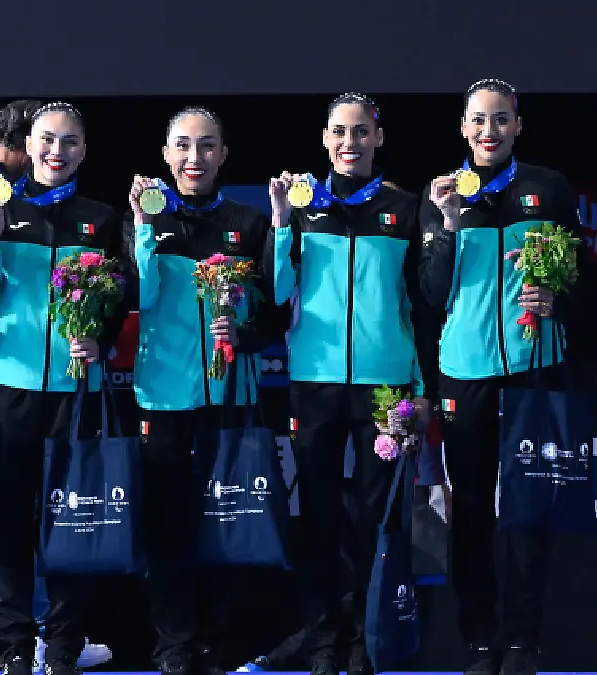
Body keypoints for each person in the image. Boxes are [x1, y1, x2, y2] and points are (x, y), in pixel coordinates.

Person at [419, 78, 596, 675]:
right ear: (464, 129)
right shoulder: (442, 194)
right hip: (464, 371)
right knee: (469, 508)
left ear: (518, 126)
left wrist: (558, 295)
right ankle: (478, 638)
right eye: (478, 121)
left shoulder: (546, 188)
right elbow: (432, 293)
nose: (488, 131)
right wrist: (446, 224)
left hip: (533, 368)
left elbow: (584, 279)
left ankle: (522, 640)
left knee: (526, 509)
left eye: (500, 120)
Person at [0, 98, 114, 675]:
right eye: (46, 139)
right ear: (27, 146)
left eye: (68, 141)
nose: (56, 151)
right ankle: (14, 645)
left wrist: (98, 342)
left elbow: (116, 303)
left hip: (74, 390)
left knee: (73, 519)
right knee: (9, 522)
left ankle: (62, 646)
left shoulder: (102, 219)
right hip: (7, 390)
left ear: (83, 150)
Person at [265, 93, 427, 675]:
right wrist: (282, 222)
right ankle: (321, 640)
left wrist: (419, 385)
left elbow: (425, 303)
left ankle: (367, 635)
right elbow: (279, 291)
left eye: (361, 132)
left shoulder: (405, 208)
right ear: (325, 137)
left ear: (378, 139)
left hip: (387, 385)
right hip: (315, 381)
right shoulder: (302, 205)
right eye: (339, 132)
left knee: (374, 517)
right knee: (320, 518)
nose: (349, 143)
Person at [126, 106, 287, 675]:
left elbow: (273, 313)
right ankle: (173, 645)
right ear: (167, 154)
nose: (195, 158)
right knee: (168, 527)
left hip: (232, 399)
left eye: (207, 146)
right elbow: (137, 298)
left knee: (230, 523)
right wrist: (144, 230)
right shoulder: (145, 218)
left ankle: (221, 643)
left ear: (223, 154)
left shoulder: (248, 221)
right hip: (163, 398)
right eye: (183, 147)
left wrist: (240, 335)